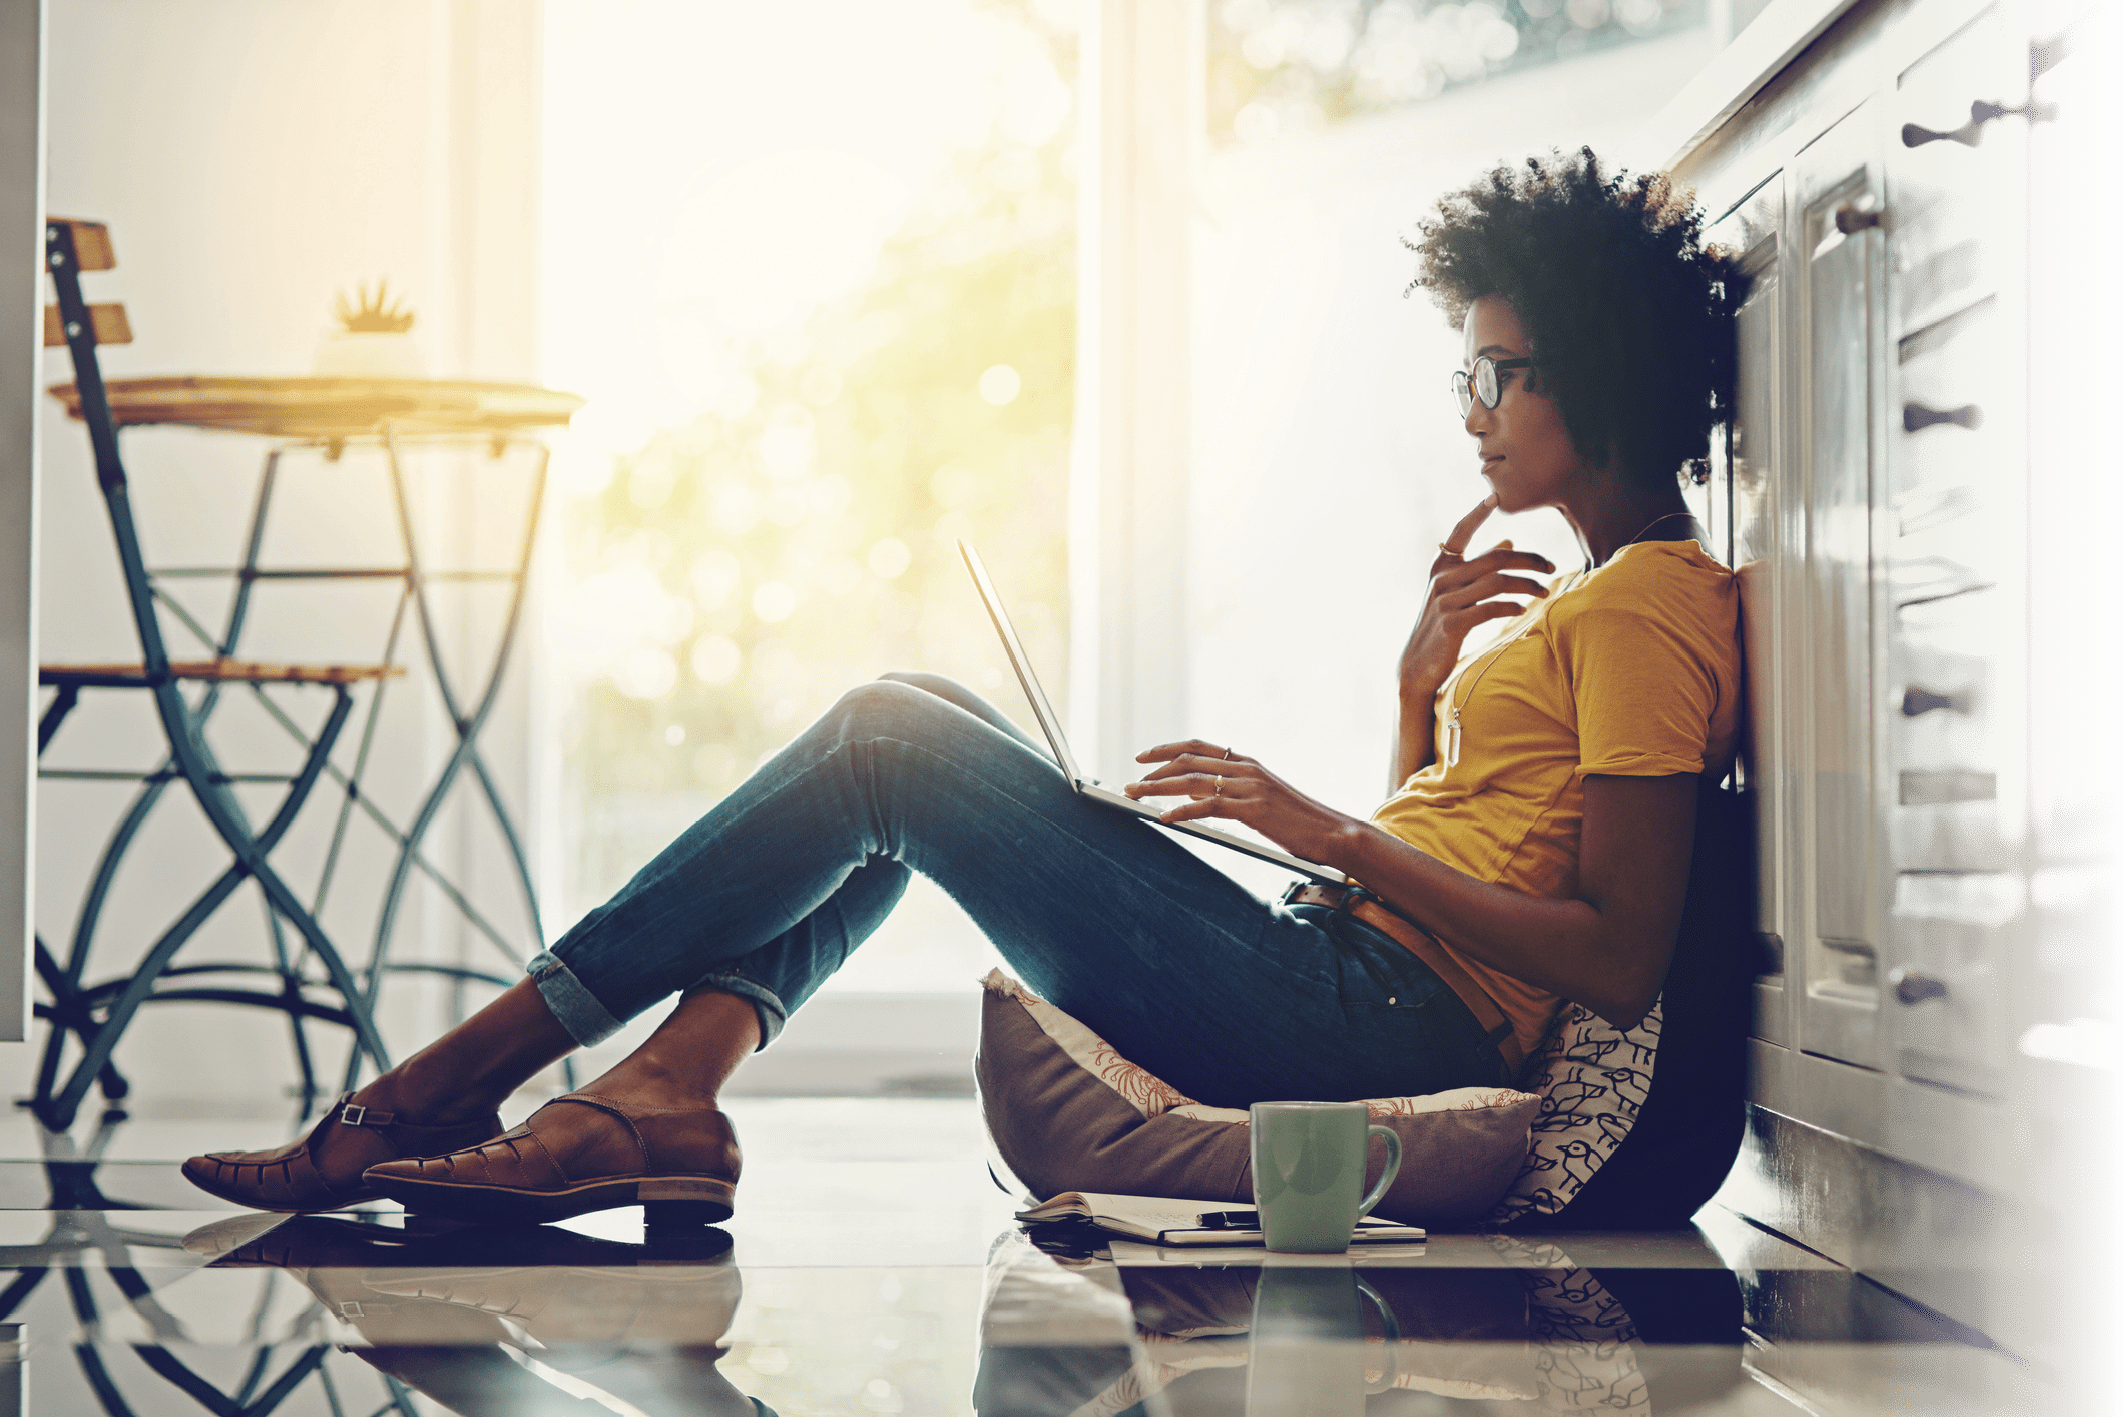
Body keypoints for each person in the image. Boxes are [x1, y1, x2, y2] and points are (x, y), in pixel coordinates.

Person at [183, 145, 1749, 1227]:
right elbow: (1492, 844)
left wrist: (1323, 825)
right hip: (1340, 977)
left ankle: (469, 1071)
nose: (1469, 408)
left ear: (1592, 369)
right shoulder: (1611, 601)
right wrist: (1417, 700)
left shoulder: (1645, 609)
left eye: (1495, 372)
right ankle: (665, 1081)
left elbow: (1613, 959)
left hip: (1365, 1023)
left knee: (887, 741)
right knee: (911, 713)